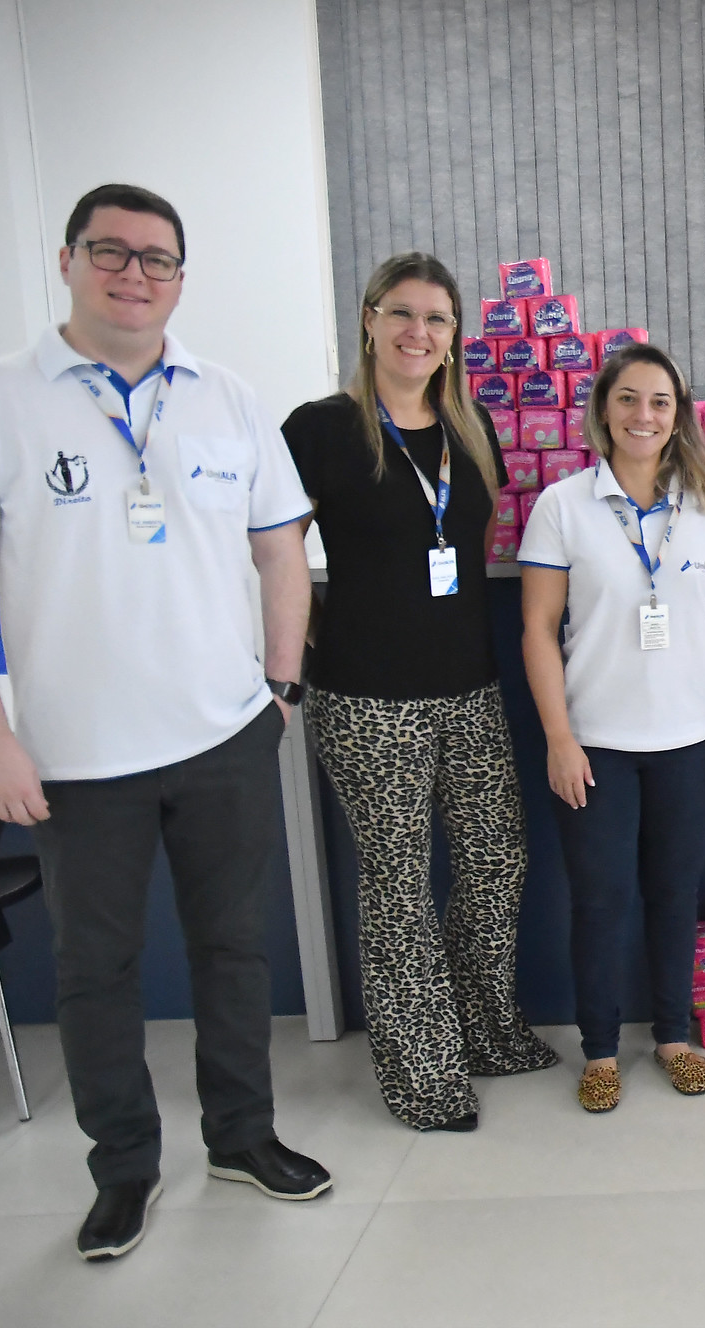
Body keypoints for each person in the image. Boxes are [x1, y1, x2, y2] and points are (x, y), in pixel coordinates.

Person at [0, 183, 330, 1260]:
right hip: (74, 755)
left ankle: (242, 1134)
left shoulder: (227, 398)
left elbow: (280, 550)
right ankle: (124, 1168)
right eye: (113, 252)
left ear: (182, 277)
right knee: (97, 970)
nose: (135, 274)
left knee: (233, 950)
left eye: (158, 259)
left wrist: (279, 691)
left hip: (223, 735)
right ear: (68, 260)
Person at [280, 253, 558, 1133]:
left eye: (437, 319)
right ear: (367, 320)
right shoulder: (321, 429)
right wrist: (319, 638)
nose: (418, 332)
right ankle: (423, 1073)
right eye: (400, 313)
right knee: (397, 884)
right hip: (367, 700)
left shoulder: (468, 425)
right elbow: (267, 554)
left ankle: (483, 1030)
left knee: (493, 861)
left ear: (454, 337)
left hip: (468, 686)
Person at [518, 342, 705, 1113]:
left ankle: (674, 1038)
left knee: (672, 892)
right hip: (594, 748)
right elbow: (537, 629)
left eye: (658, 401)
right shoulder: (562, 507)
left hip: (690, 742)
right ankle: (597, 1049)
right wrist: (558, 738)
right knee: (598, 900)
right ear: (604, 409)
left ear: (677, 414)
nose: (643, 415)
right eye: (628, 399)